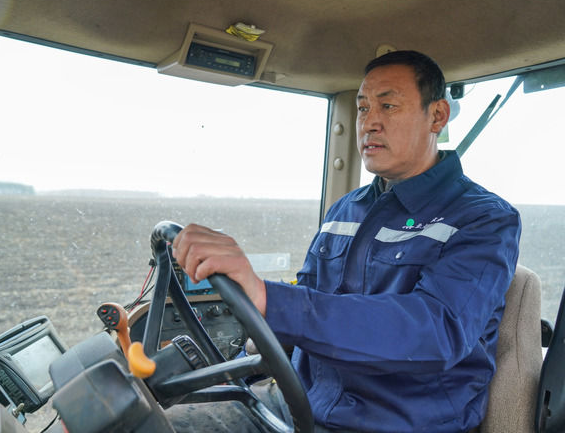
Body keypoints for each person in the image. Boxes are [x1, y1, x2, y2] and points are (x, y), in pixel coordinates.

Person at [169, 51, 521, 432]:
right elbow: (308, 295)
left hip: (395, 424)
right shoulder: (345, 210)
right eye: (363, 108)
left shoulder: (484, 219)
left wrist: (271, 299)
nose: (369, 123)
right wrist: (235, 365)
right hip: (299, 405)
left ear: (437, 116)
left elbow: (434, 332)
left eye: (388, 106)